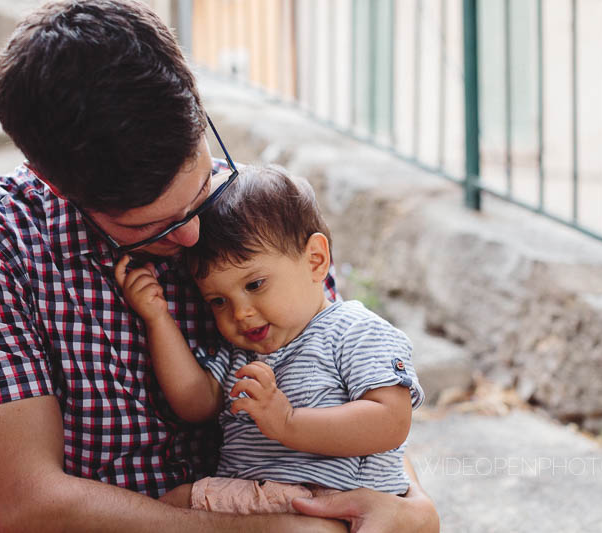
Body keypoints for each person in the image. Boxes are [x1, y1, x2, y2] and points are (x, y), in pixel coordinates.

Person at [0, 1, 439, 531]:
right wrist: (274, 529)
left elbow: (345, 382)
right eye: (152, 227)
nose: (192, 235)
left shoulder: (252, 205)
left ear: (198, 109)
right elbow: (25, 505)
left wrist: (411, 508)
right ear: (56, 186)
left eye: (201, 190)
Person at [115, 165, 424, 514]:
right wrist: (158, 320)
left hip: (330, 498)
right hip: (252, 497)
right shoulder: (240, 354)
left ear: (315, 261)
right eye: (218, 301)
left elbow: (392, 422)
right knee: (167, 508)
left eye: (255, 284)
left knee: (172, 508)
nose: (240, 312)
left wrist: (288, 422)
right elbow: (195, 403)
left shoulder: (356, 330)